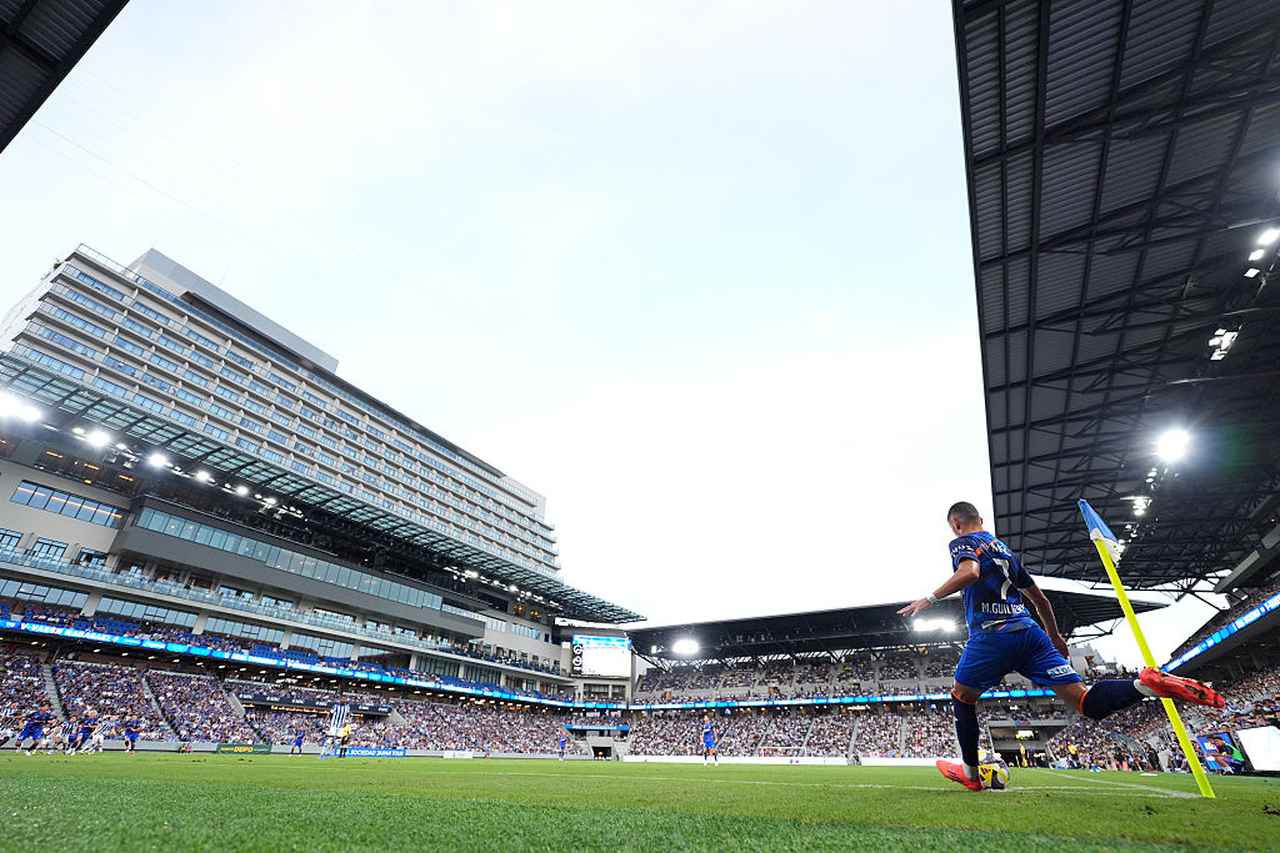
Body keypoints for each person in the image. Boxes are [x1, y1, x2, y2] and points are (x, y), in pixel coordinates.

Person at [898, 501, 1227, 792]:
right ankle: (1144, 685)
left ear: (956, 523)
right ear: (981, 519)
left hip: (992, 634)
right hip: (1031, 634)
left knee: (961, 696)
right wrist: (1055, 637)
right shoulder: (1007, 554)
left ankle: (971, 773)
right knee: (1085, 701)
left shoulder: (963, 542)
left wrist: (928, 599)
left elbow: (969, 572)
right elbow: (1040, 600)